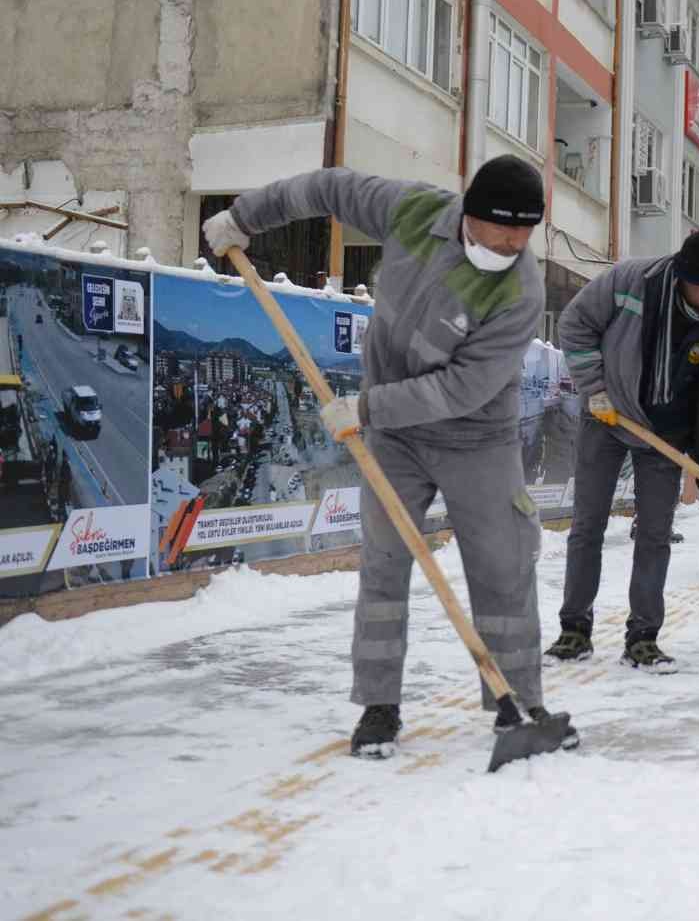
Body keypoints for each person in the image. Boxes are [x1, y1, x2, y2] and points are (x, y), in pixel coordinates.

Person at [202, 156, 575, 760]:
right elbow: (327, 186)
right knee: (383, 565)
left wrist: (370, 408)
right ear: (468, 215)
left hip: (474, 438)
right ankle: (379, 706)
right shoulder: (414, 210)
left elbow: (464, 388)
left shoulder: (520, 289)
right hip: (397, 441)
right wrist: (246, 217)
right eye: (503, 228)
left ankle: (519, 701)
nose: (514, 242)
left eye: (526, 231)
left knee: (505, 565)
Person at [544, 228, 699, 674]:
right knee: (588, 525)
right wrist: (594, 389)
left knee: (655, 535)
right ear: (686, 275)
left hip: (667, 438)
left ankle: (643, 636)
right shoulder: (629, 282)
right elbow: (574, 325)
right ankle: (574, 629)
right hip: (608, 416)